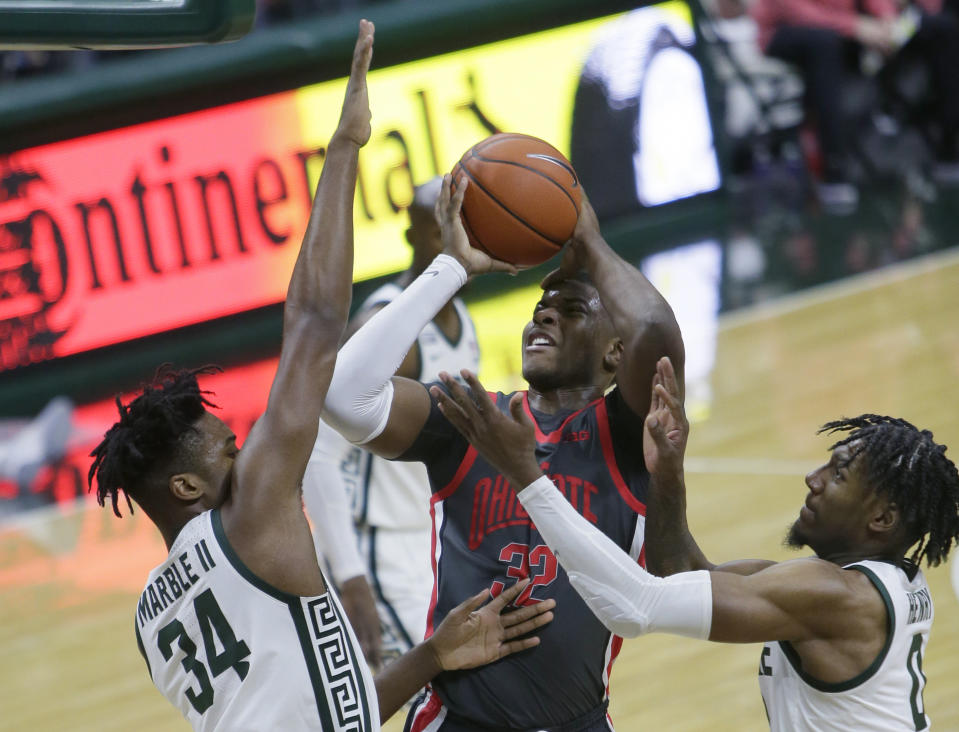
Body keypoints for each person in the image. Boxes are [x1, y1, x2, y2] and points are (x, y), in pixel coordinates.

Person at [86, 22, 554, 732]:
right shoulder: (251, 518)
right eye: (229, 453)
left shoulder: (151, 621)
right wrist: (345, 147)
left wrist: (431, 656)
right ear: (185, 487)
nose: (253, 457)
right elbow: (310, 321)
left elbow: (326, 711)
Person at [322, 177, 685, 730]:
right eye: (540, 307)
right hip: (459, 718)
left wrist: (590, 243)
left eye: (571, 309)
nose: (543, 315)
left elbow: (656, 333)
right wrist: (451, 267)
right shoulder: (475, 418)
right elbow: (343, 394)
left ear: (616, 352)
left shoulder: (627, 432)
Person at [431, 356, 959, 730]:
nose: (813, 478)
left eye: (839, 474)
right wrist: (667, 474)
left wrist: (525, 475)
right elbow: (676, 572)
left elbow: (636, 606)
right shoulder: (881, 581)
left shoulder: (833, 595)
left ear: (883, 518)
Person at [303, 174, 480, 671]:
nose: (455, 237)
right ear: (412, 238)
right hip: (374, 547)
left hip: (426, 539)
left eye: (462, 223)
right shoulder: (387, 328)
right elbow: (318, 453)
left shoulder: (460, 319)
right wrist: (352, 574)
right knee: (447, 685)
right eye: (440, 228)